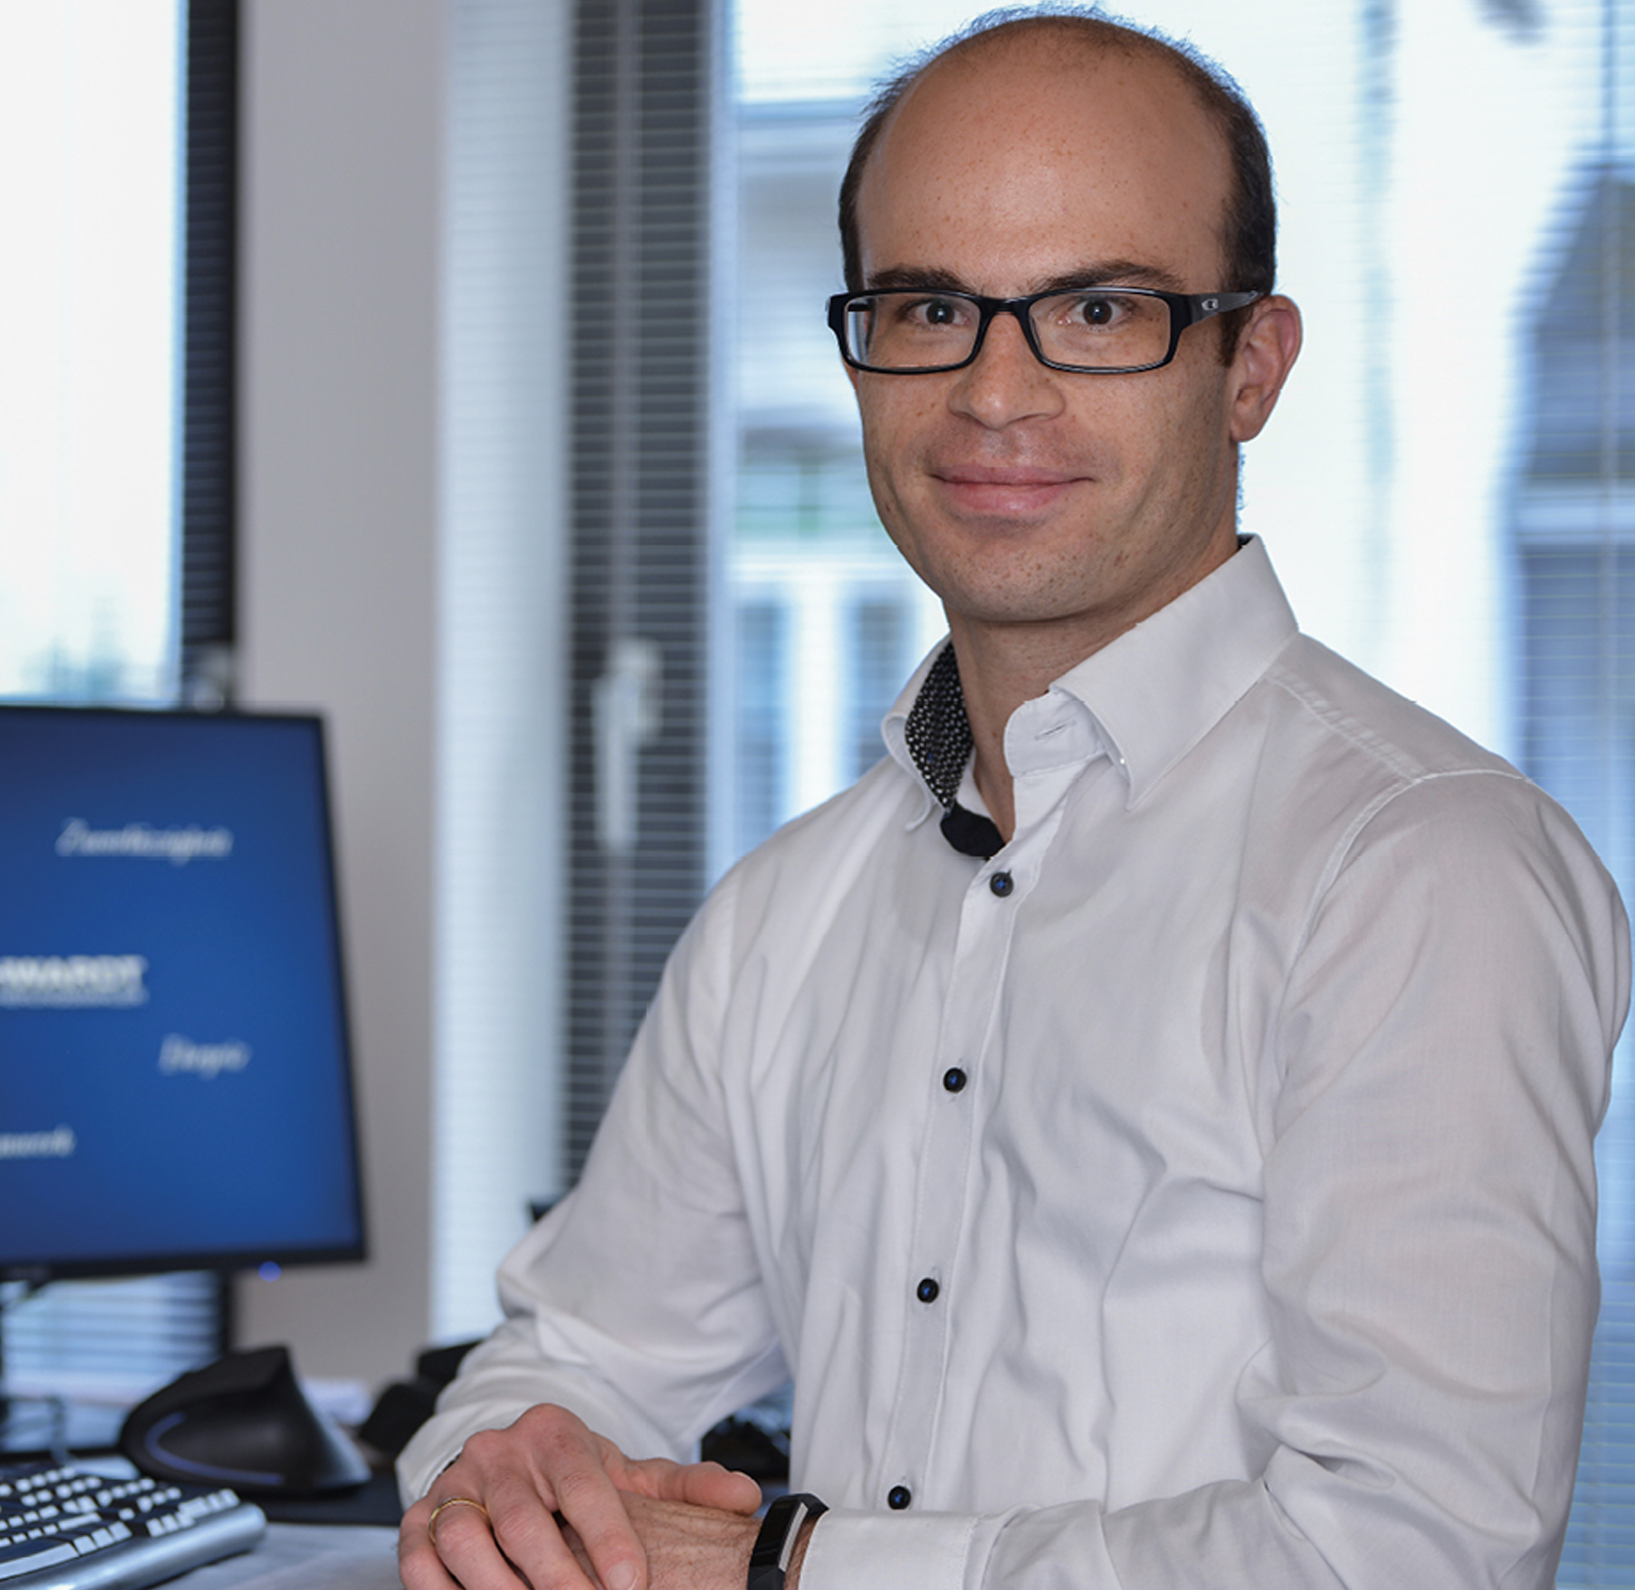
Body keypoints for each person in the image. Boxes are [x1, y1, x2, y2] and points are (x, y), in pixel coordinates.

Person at [394, 11, 1632, 1590]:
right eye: (929, 308)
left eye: (1098, 310)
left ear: (1251, 366)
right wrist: (503, 1482)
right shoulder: (787, 913)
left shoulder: (1425, 870)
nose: (993, 391)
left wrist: (789, 1566)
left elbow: (1415, 1550)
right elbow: (573, 1354)